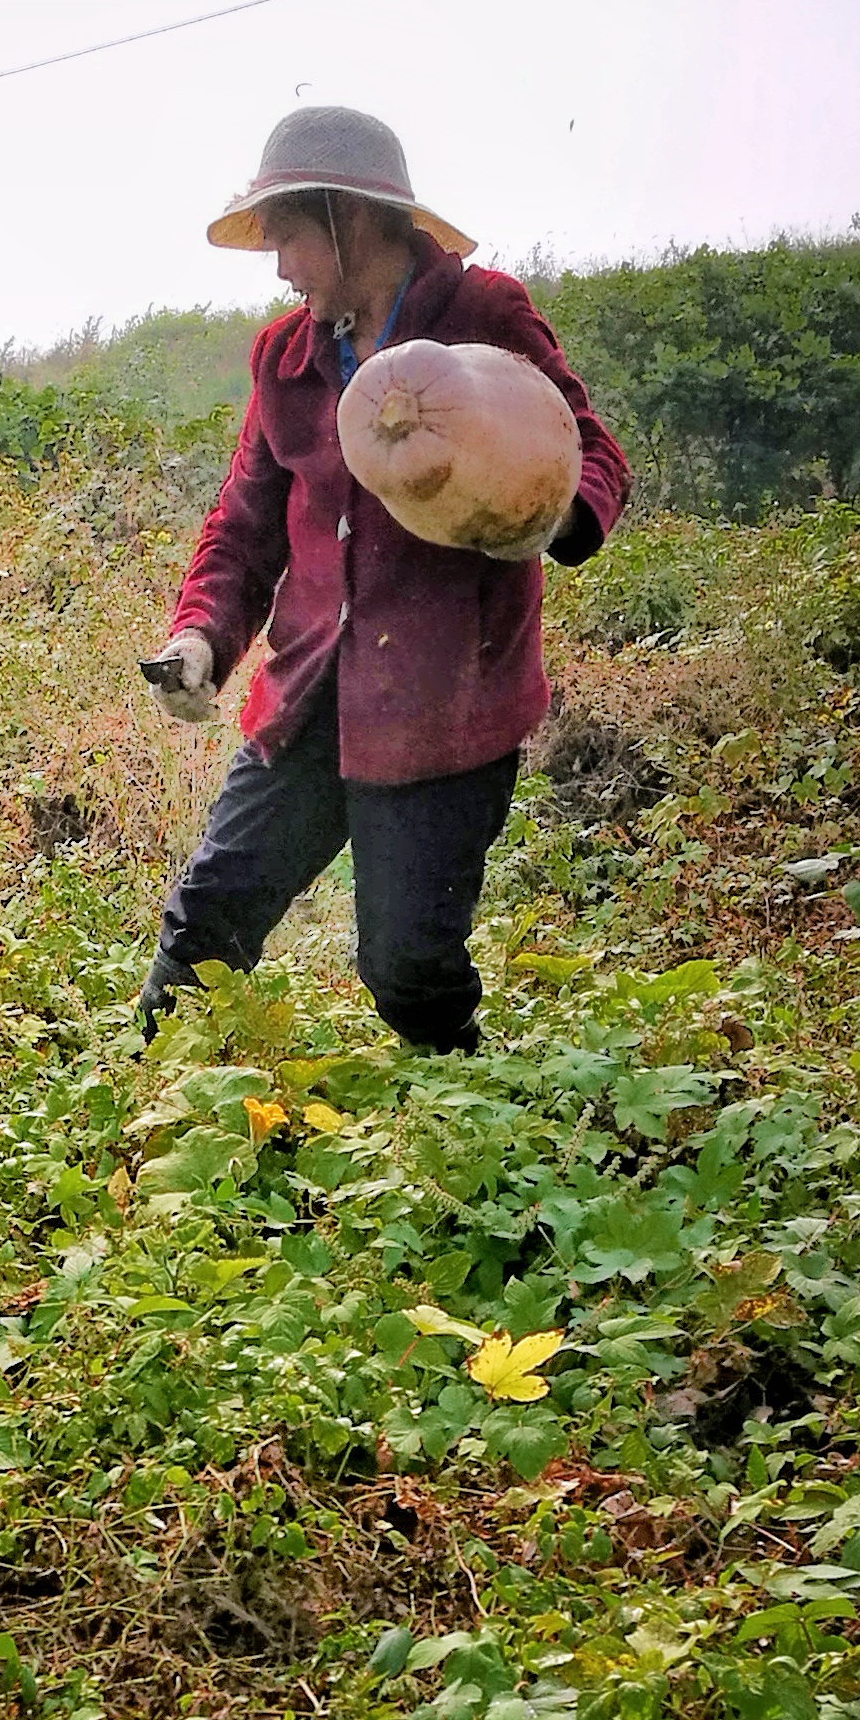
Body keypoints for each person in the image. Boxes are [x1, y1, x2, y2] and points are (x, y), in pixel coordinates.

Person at [139, 105, 629, 1057]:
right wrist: (201, 634)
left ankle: (471, 1124)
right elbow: (244, 523)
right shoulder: (285, 359)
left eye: (286, 237)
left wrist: (551, 512)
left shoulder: (482, 314)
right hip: (311, 693)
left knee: (407, 969)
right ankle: (140, 1106)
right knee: (208, 923)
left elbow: (589, 448)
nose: (279, 266)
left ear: (344, 216)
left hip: (446, 707)